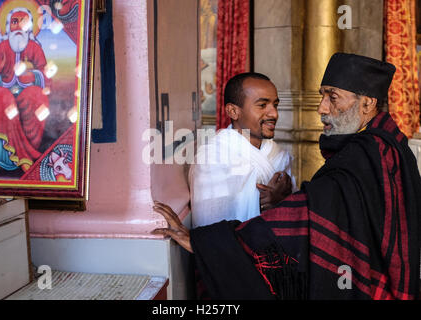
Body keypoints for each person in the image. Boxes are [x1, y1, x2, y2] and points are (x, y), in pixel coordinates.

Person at [152, 53, 421, 300]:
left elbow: (317, 211)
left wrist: (208, 243)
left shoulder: (368, 152)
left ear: (367, 103)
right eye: (322, 96)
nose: (321, 108)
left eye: (333, 97)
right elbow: (329, 208)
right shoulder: (388, 145)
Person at [190, 72, 296, 227]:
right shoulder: (212, 157)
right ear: (233, 111)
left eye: (275, 105)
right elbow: (210, 226)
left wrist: (282, 201)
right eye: (262, 105)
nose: (274, 113)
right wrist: (263, 204)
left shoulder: (278, 154)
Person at [0, 6, 49, 174]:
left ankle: (26, 156)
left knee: (36, 96)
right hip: (3, 94)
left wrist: (34, 76)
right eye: (14, 22)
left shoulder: (35, 48)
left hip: (26, 95)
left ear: (30, 26)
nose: (18, 26)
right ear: (8, 25)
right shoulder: (1, 47)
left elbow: (46, 76)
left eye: (23, 21)